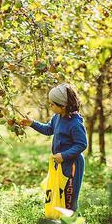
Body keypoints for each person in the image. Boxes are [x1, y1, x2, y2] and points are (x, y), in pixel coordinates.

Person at [21, 82, 87, 211]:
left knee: (70, 195)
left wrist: (64, 155)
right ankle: (60, 221)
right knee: (59, 193)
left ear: (63, 106)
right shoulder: (57, 117)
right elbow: (48, 130)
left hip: (72, 163)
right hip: (60, 162)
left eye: (52, 104)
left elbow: (81, 144)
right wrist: (32, 123)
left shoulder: (75, 123)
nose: (49, 106)